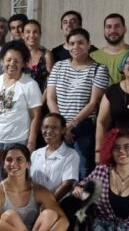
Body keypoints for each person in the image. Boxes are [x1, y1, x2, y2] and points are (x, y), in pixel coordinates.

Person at [46, 27, 108, 176]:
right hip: (58, 127)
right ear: (67, 46)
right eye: (72, 43)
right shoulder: (58, 66)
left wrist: (69, 126)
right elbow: (50, 98)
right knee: (57, 170)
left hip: (83, 126)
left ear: (89, 45)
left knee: (82, 170)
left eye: (81, 43)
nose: (76, 47)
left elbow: (93, 103)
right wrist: (60, 126)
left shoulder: (99, 69)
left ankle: (82, 200)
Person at [0, 40, 43, 150]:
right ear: (2, 61)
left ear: (24, 63)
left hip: (18, 141)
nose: (12, 64)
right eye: (8, 60)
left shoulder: (30, 85)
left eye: (16, 61)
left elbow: (35, 116)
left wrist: (31, 142)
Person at [29, 113, 80, 201]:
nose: (48, 131)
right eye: (45, 127)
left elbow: (67, 185)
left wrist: (47, 203)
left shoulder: (71, 155)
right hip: (34, 203)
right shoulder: (35, 154)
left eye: (54, 127)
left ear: (63, 130)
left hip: (57, 205)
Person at [91, 13, 129, 85]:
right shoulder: (92, 57)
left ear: (125, 29)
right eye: (109, 27)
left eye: (117, 26)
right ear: (104, 30)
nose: (113, 30)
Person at [21, 19, 50, 92]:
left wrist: (41, 101)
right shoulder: (18, 54)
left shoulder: (46, 55)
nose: (31, 35)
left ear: (40, 34)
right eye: (28, 32)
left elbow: (50, 83)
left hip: (40, 99)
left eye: (35, 32)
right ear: (22, 35)